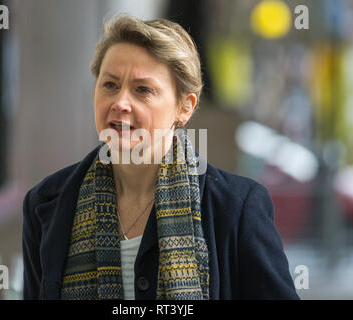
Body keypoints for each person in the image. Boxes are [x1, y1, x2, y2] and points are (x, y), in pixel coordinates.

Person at [22, 14, 299, 300]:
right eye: (110, 85)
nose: (120, 103)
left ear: (184, 108)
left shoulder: (236, 207)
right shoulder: (46, 204)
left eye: (142, 90)